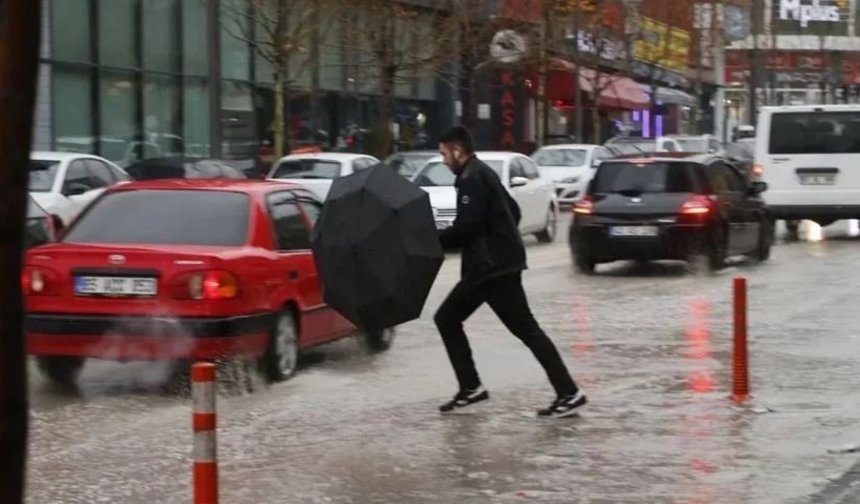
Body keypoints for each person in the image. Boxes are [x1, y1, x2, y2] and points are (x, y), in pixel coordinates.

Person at [433, 126, 586, 418]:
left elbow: (466, 229)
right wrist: (499, 236)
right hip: (493, 267)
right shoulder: (483, 173)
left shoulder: (471, 179)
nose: (442, 161)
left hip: (492, 271)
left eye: (443, 154)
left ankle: (568, 392)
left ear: (457, 150)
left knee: (525, 330)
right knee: (448, 319)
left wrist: (433, 237)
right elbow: (512, 211)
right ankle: (471, 387)